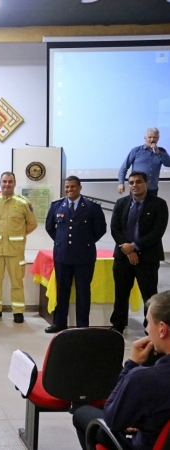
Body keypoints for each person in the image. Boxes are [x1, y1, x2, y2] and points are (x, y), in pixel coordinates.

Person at [72, 291, 170, 450]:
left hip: (144, 444)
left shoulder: (144, 378)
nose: (146, 330)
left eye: (148, 323)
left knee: (82, 413)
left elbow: (112, 418)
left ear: (162, 329)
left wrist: (131, 364)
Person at [44, 175, 107, 333]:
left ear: (79, 188)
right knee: (62, 291)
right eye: (67, 187)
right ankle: (59, 323)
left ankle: (82, 325)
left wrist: (85, 242)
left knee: (83, 292)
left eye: (72, 187)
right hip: (62, 255)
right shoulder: (57, 206)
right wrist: (61, 241)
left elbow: (100, 229)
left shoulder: (92, 207)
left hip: (84, 256)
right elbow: (50, 227)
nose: (69, 190)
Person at [110, 171, 168, 333]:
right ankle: (118, 324)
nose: (134, 185)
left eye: (138, 182)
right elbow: (115, 228)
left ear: (147, 184)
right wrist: (127, 249)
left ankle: (150, 327)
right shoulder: (121, 203)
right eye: (131, 182)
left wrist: (134, 246)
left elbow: (157, 232)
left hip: (147, 257)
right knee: (121, 293)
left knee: (149, 295)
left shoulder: (159, 204)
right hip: (123, 257)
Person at [0, 172, 37, 323]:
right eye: (4, 181)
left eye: (10, 182)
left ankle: (18, 312)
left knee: (17, 282)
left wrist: (18, 233)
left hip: (15, 251)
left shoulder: (23, 203)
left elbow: (32, 224)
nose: (7, 184)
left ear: (14, 184)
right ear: (0, 183)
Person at [118, 127, 169, 197]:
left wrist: (158, 153)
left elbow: (168, 164)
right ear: (145, 138)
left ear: (158, 139)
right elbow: (124, 167)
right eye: (150, 137)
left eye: (154, 137)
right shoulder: (136, 151)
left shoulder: (161, 151)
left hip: (152, 189)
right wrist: (121, 183)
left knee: (152, 208)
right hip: (137, 188)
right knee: (136, 207)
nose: (152, 140)